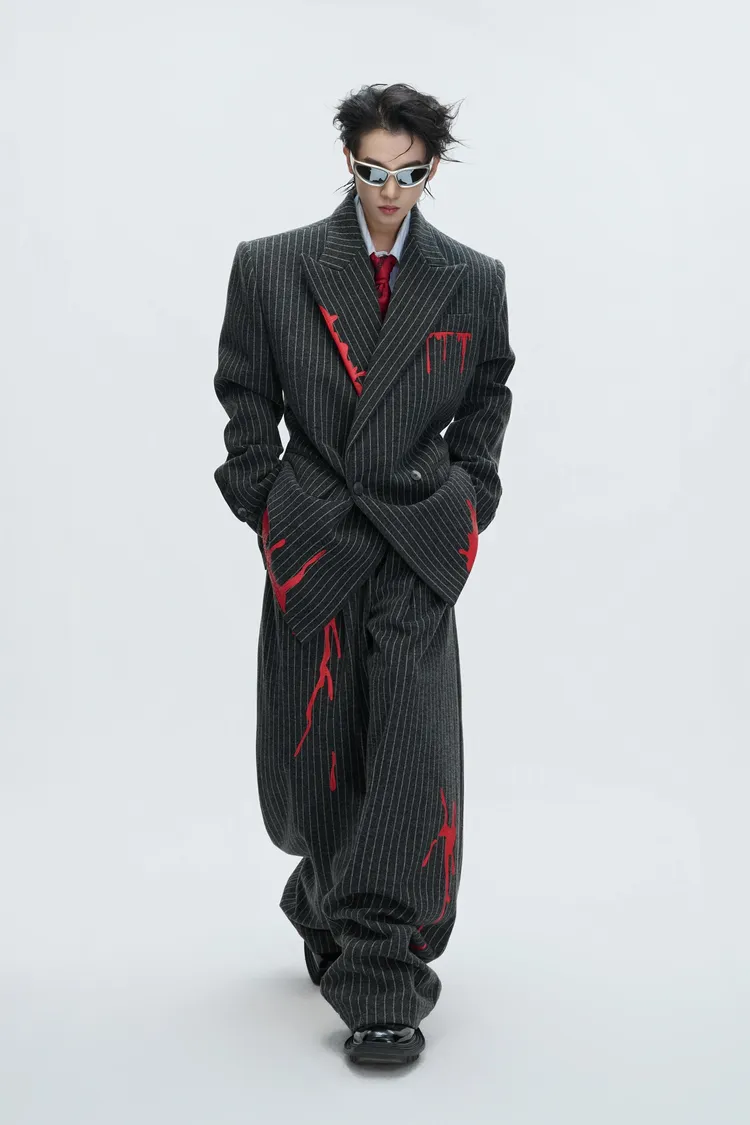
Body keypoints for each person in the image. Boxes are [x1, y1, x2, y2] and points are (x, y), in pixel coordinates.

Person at [213, 82, 516, 1065]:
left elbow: (488, 394)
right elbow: (245, 394)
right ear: (348, 160)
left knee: (411, 761)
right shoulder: (273, 267)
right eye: (374, 170)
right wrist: (266, 503)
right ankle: (324, 897)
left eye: (410, 172)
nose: (390, 191)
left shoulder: (472, 279)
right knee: (310, 766)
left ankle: (383, 972)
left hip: (418, 538)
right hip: (315, 534)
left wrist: (468, 499)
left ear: (435, 168)